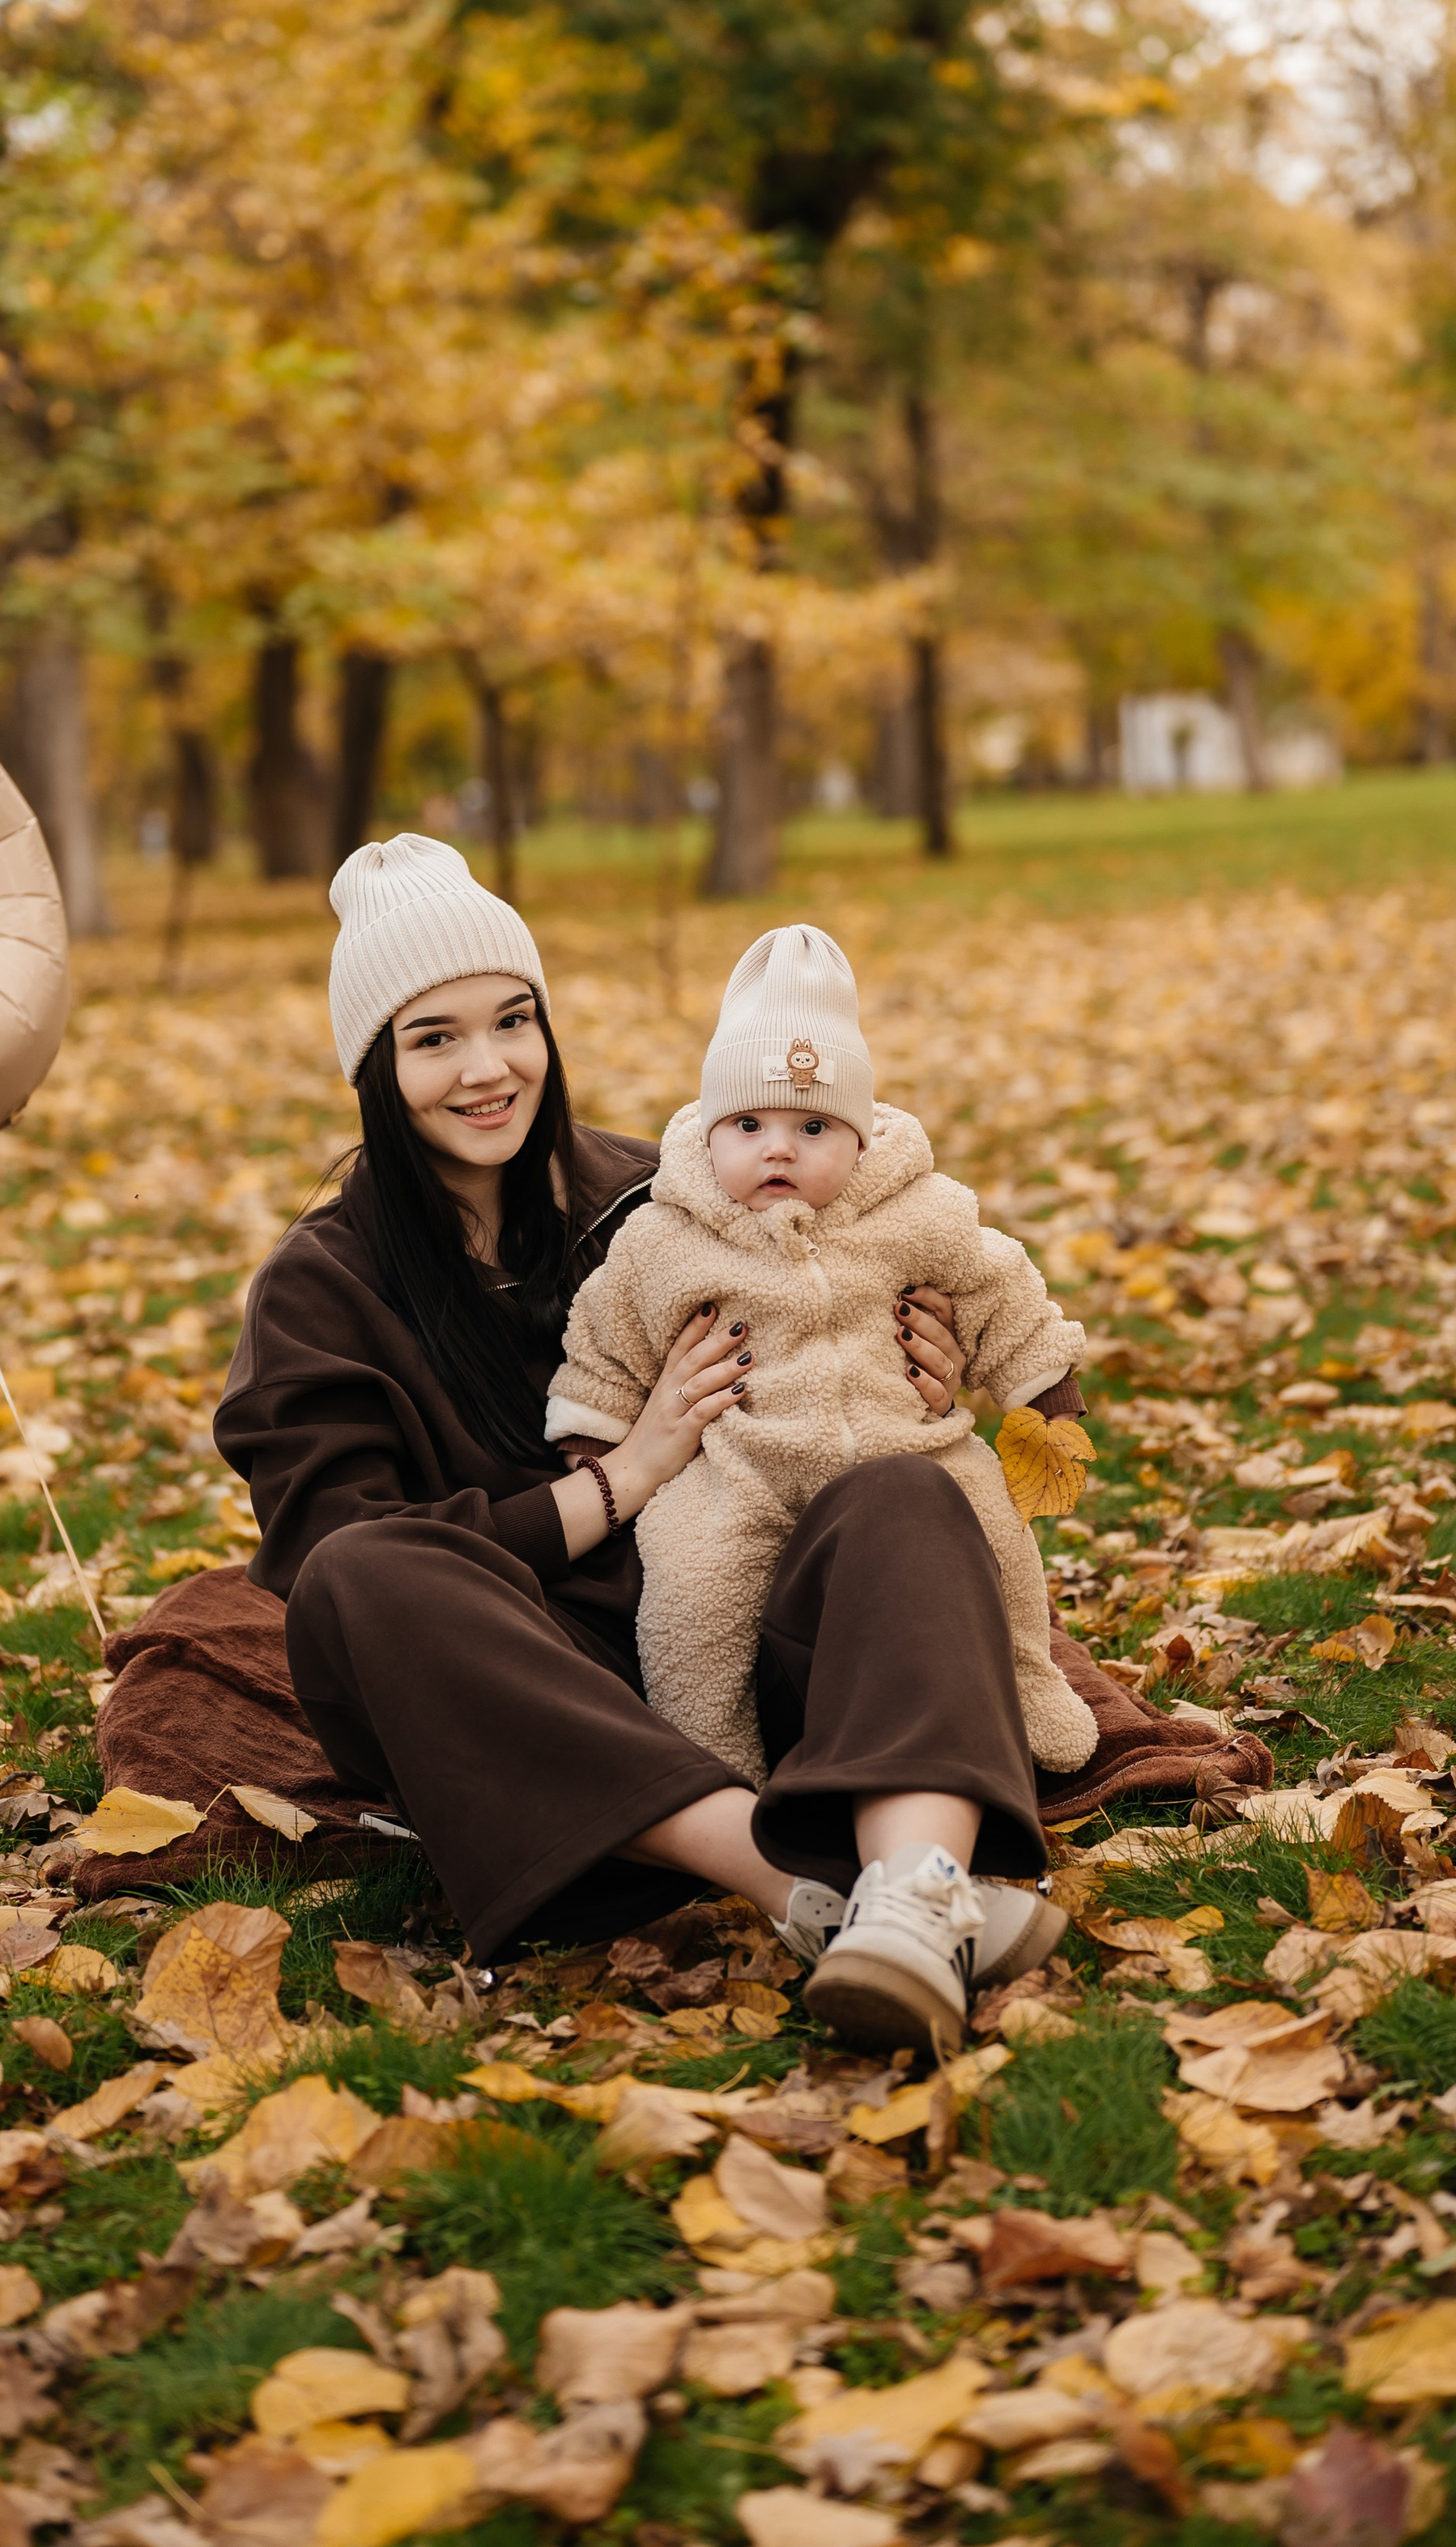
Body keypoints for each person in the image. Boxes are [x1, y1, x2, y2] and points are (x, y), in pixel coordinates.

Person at [214, 833, 1079, 2057]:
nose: (488, 1069)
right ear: (372, 1066)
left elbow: (883, 1270)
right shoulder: (322, 1288)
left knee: (907, 1494)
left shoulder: (669, 1194)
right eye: (433, 1038)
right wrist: (625, 1477)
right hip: (523, 1685)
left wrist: (929, 1364)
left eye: (513, 1022)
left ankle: (917, 1883)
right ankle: (800, 1887)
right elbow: (326, 1552)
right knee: (366, 1579)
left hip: (747, 1625)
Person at [545, 924, 1097, 1906]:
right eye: (748, 1126)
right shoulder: (665, 1237)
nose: (777, 1151)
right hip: (740, 1472)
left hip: (910, 1448)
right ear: (708, 1129)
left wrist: (1042, 1396)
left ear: (860, 1134)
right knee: (692, 1589)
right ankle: (711, 1764)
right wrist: (600, 1444)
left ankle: (1031, 1691)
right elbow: (606, 1343)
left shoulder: (916, 1212)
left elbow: (1003, 1292)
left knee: (998, 1549)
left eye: (811, 1129)